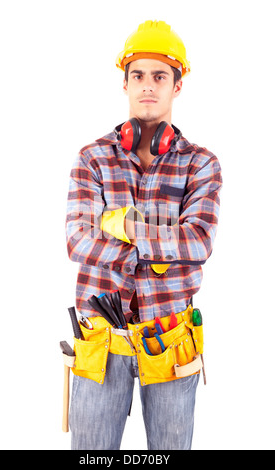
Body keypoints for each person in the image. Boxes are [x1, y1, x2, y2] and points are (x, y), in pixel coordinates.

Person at [65, 20, 222, 450]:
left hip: (170, 337)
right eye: (138, 75)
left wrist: (125, 227)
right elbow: (77, 241)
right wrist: (163, 241)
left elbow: (199, 243)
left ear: (177, 86)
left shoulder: (201, 165)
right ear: (125, 83)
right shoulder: (92, 159)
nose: (148, 86)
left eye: (159, 76)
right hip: (101, 338)